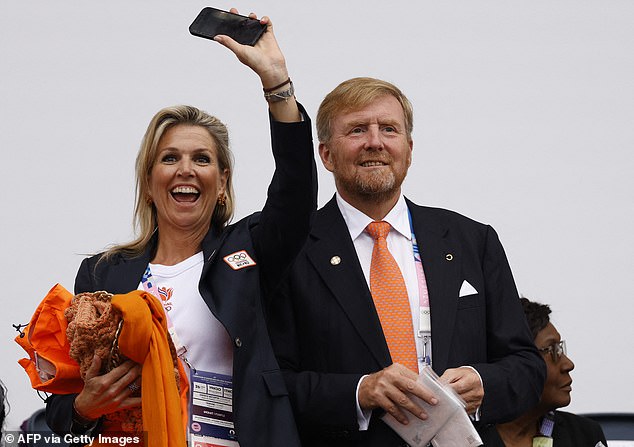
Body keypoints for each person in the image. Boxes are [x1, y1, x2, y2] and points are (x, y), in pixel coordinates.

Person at [44, 11, 316, 447]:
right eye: (169, 158)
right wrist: (83, 407)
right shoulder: (102, 273)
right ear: (149, 183)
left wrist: (276, 85)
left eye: (202, 159)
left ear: (222, 183)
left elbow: (296, 195)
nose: (185, 170)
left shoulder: (249, 252)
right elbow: (63, 401)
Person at [266, 77, 546, 446]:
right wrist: (360, 391)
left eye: (389, 129)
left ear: (409, 149)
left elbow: (526, 366)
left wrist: (483, 384)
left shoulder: (471, 241)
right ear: (327, 155)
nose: (375, 142)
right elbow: (273, 381)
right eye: (357, 130)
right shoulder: (293, 250)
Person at [476, 297, 607, 446]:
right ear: (515, 363)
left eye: (560, 349)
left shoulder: (584, 437)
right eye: (551, 351)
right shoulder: (463, 439)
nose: (568, 365)